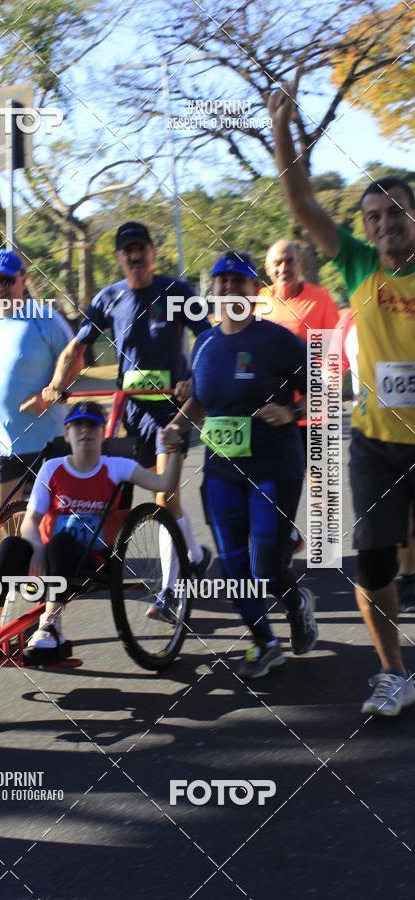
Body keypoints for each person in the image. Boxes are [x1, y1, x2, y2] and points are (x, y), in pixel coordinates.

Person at [270, 69, 415, 715]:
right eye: (374, 216)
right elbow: (302, 205)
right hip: (375, 445)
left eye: (396, 213)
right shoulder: (356, 262)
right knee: (374, 566)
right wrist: (281, 129)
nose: (385, 223)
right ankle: (393, 674)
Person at [43, 221, 212, 622]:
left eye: (141, 248)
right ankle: (195, 554)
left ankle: (172, 592)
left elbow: (207, 339)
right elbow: (76, 347)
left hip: (170, 412)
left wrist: (195, 379)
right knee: (113, 497)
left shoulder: (176, 292)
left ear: (153, 252)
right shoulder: (110, 298)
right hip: (128, 412)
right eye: (126, 250)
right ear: (118, 257)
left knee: (163, 500)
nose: (134, 255)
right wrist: (55, 384)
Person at [162, 250, 318, 678]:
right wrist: (178, 424)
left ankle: (297, 603)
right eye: (221, 281)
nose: (229, 287)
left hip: (274, 465)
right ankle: (265, 642)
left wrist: (290, 414)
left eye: (239, 281)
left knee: (265, 566)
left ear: (255, 291)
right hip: (222, 471)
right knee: (233, 567)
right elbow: (202, 401)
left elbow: (327, 382)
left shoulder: (277, 340)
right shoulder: (207, 343)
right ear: (212, 291)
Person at [0, 401, 183, 664]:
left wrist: (175, 449)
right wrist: (37, 548)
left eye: (92, 425)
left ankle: (50, 624)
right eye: (77, 425)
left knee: (62, 541)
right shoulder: (52, 468)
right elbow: (31, 519)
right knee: (10, 546)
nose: (85, 431)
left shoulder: (117, 466)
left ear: (102, 433)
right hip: (45, 555)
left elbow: (163, 483)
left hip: (91, 559)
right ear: (67, 434)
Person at [0, 250, 77, 514]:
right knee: (1, 515)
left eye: (7, 281)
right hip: (1, 442)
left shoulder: (45, 318)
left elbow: (75, 358)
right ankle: (26, 556)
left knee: (57, 521)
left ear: (23, 280)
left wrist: (49, 394)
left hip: (47, 440)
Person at [337, 308, 415, 614]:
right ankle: (398, 574)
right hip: (372, 435)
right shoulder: (347, 322)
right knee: (381, 529)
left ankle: (408, 577)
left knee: (409, 516)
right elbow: (332, 369)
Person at [259, 238, 339, 458]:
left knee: (321, 486)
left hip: (314, 413)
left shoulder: (321, 299)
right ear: (268, 269)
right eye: (277, 263)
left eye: (289, 261)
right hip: (273, 412)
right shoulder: (259, 301)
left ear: (300, 264)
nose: (283, 268)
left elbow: (334, 355)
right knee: (275, 486)